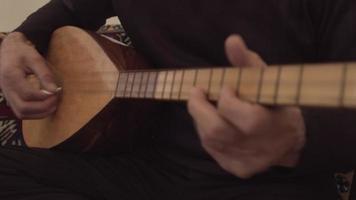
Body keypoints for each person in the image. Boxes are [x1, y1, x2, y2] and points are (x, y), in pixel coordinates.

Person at [0, 0, 355, 199]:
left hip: (271, 181)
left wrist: (293, 138)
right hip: (150, 165)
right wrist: (18, 39)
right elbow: (71, 7)